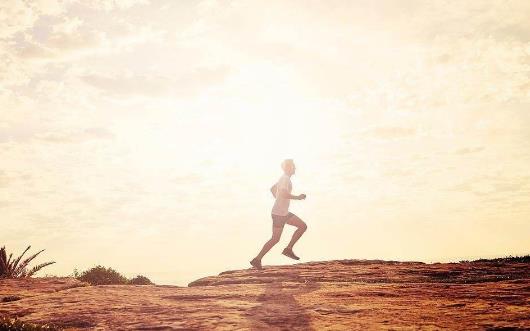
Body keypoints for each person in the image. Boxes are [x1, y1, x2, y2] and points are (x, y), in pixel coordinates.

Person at [250, 159, 307, 270]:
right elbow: (283, 193)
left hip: (281, 212)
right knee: (276, 238)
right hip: (280, 214)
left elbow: (272, 189)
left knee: (301, 226)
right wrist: (298, 197)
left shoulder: (283, 178)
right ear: (288, 167)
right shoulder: (285, 179)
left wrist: (278, 201)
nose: (295, 168)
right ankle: (258, 259)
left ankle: (287, 249)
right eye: (293, 166)